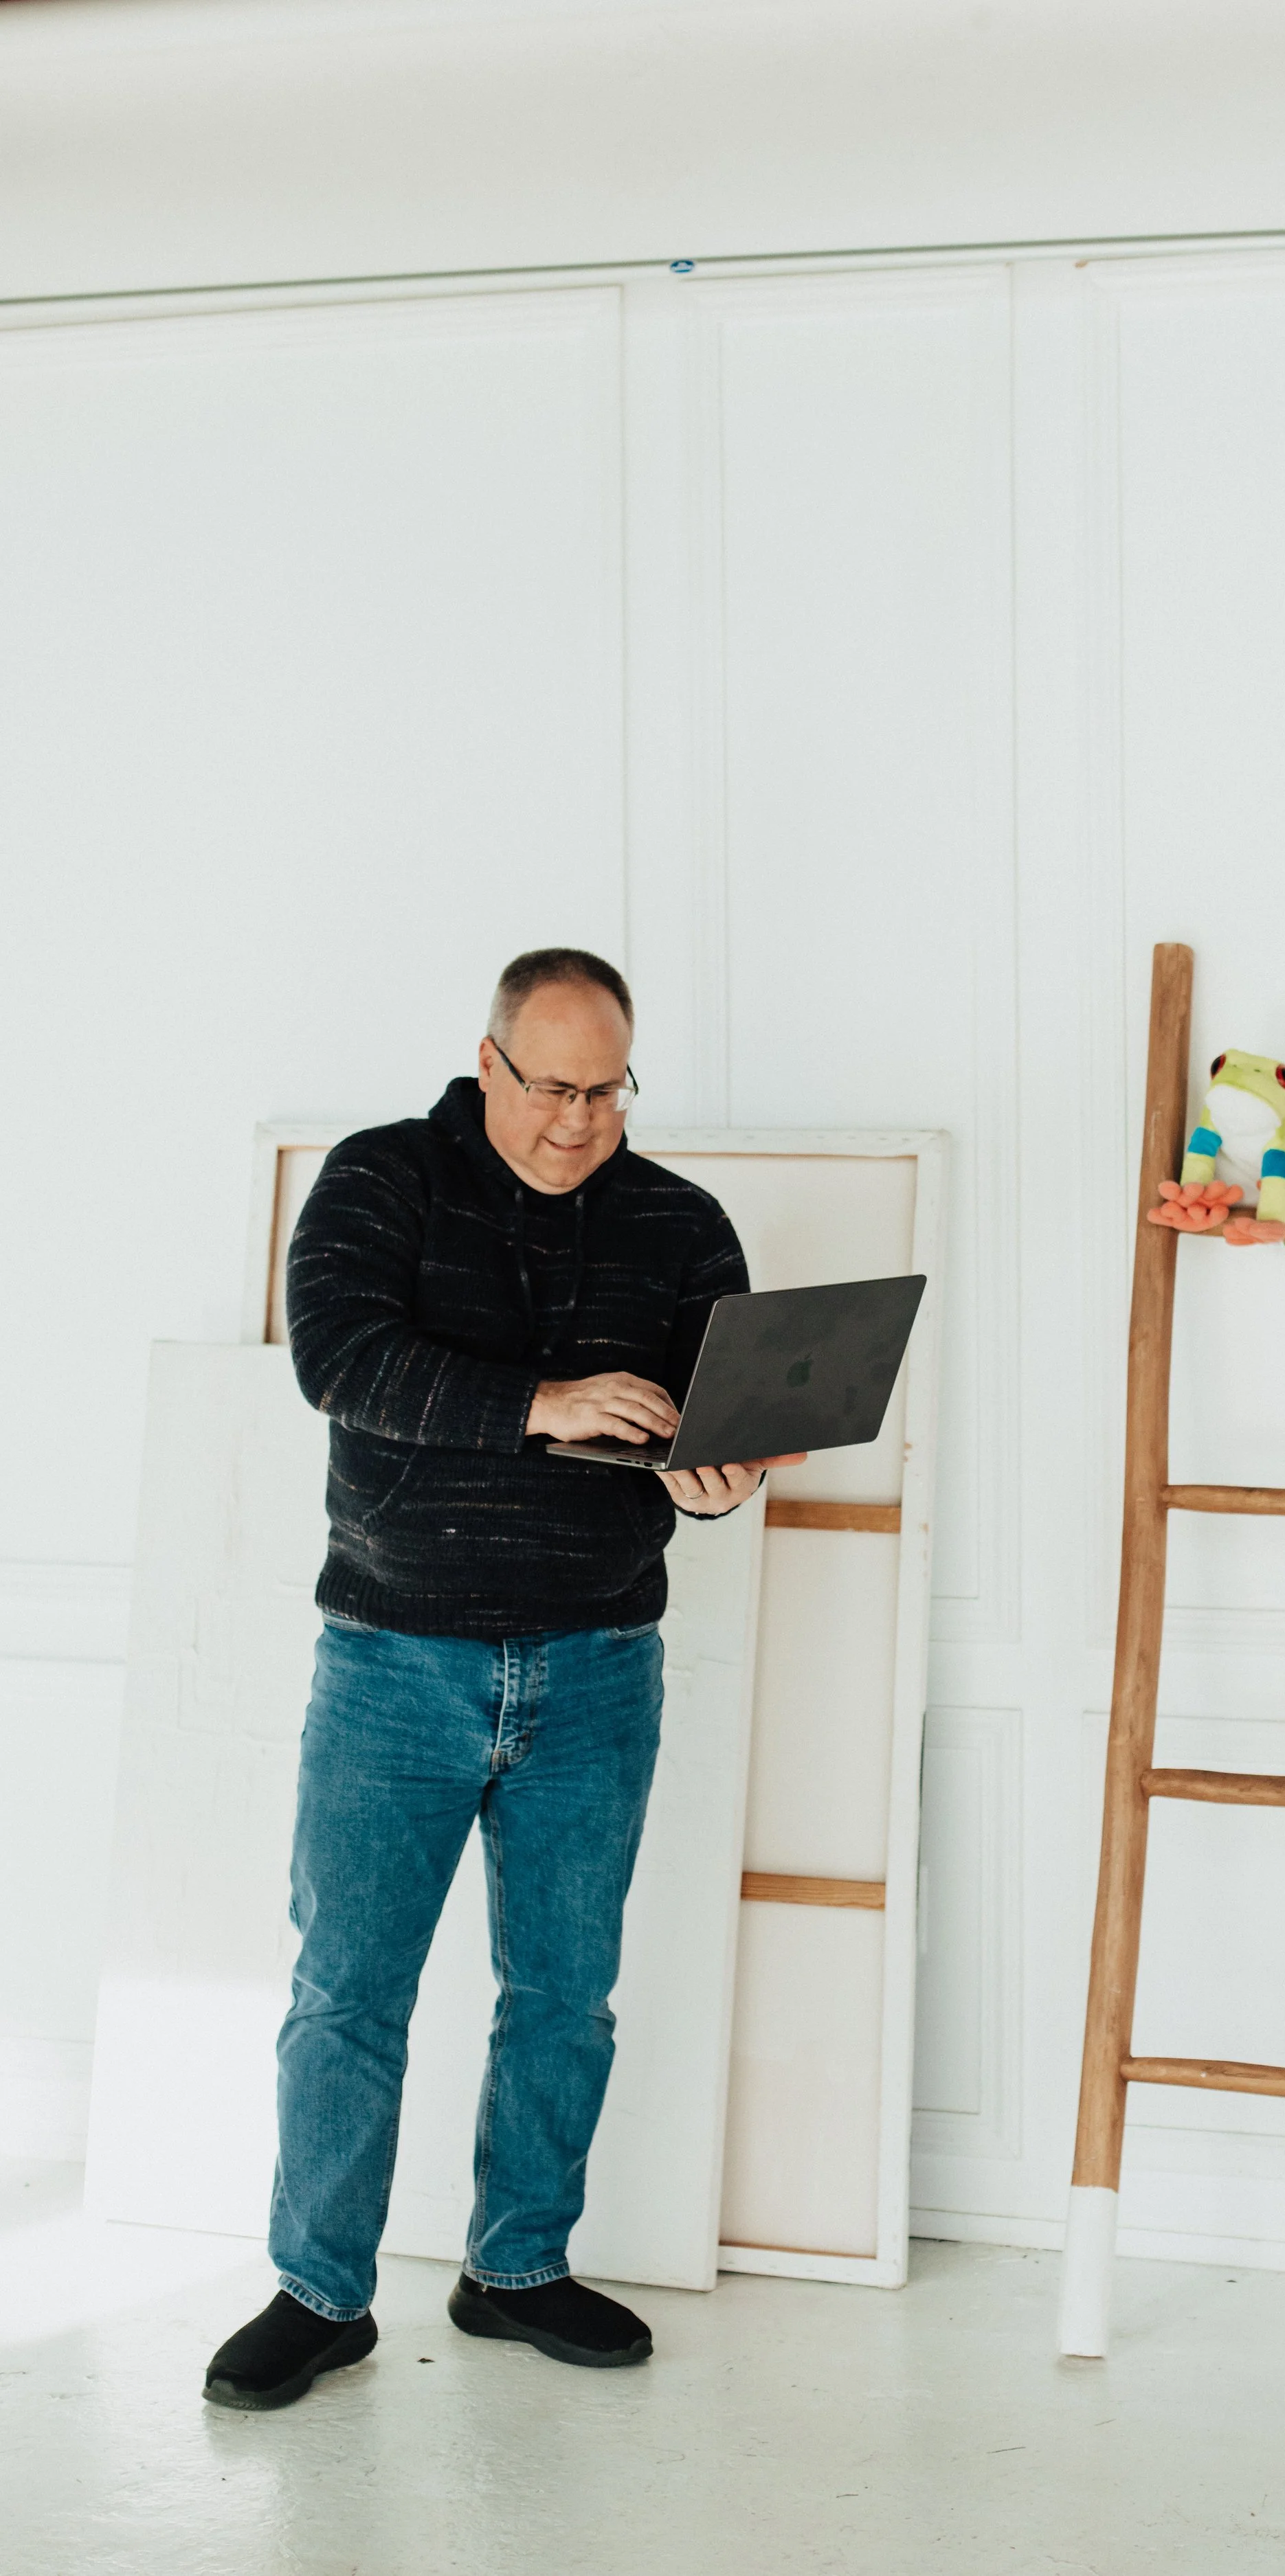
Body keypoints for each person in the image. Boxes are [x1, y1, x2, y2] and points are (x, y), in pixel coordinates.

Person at [203, 947, 799, 2412]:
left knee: (564, 1992)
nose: (577, 1121)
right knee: (347, 1992)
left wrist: (720, 1479)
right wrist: (539, 1404)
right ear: (488, 1064)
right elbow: (340, 1361)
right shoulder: (380, 1181)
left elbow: (697, 1440)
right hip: (391, 1661)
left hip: (599, 1664)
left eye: (607, 1092)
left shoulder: (679, 1224)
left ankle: (516, 2267)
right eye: (550, 1087)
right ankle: (319, 2294)